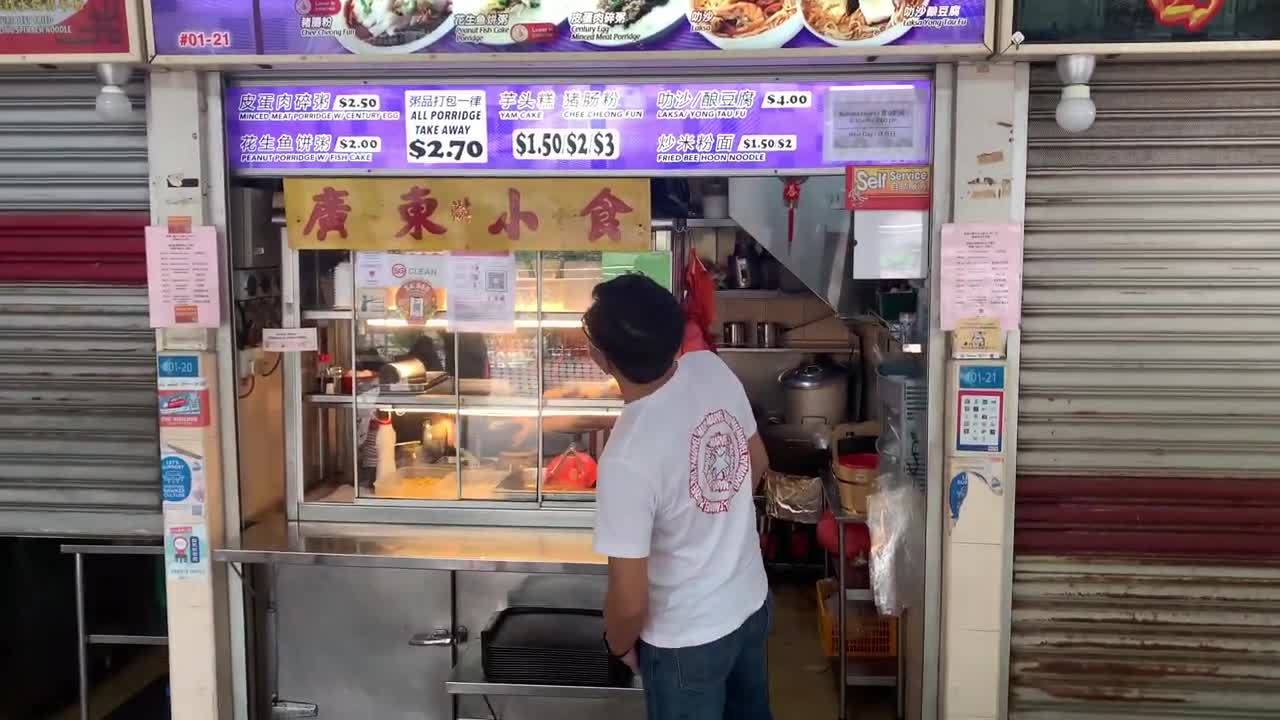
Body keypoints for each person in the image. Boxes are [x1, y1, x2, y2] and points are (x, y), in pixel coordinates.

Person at [584, 274, 772, 720]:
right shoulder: (710, 369)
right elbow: (757, 461)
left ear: (602, 358)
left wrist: (617, 643)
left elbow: (629, 604)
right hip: (750, 603)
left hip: (686, 642)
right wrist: (715, 523)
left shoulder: (626, 456)